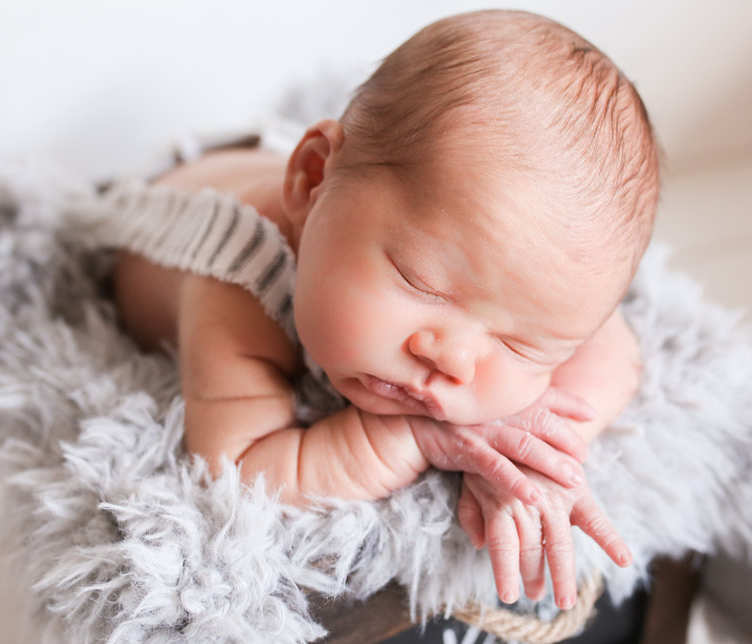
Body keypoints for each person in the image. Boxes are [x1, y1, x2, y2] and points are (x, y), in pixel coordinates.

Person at [100, 9, 659, 612]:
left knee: (390, 176)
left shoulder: (469, 260)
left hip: (351, 184)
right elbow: (237, 471)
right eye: (422, 283)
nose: (453, 360)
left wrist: (534, 454)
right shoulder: (234, 284)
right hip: (172, 195)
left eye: (520, 344)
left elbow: (615, 351)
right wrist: (406, 437)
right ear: (312, 180)